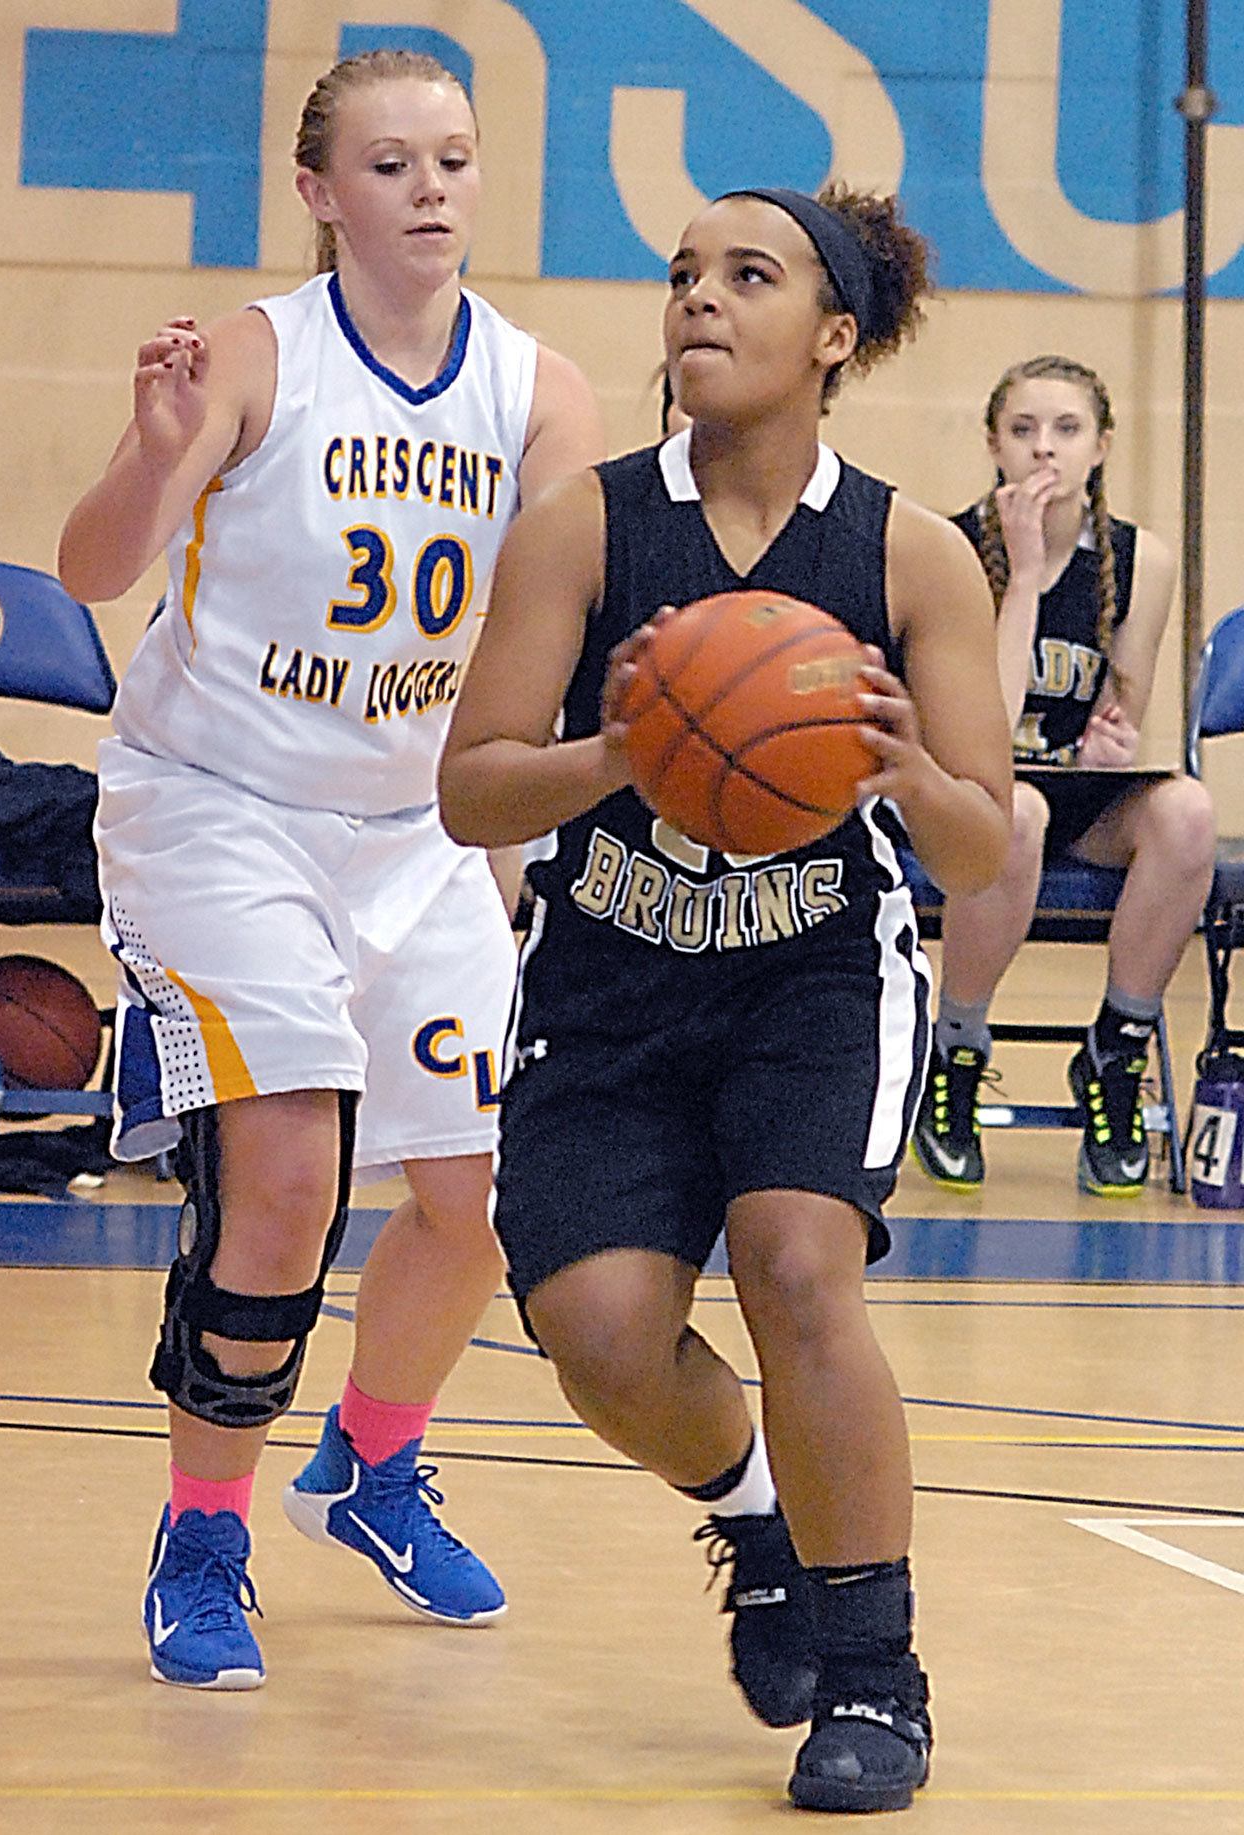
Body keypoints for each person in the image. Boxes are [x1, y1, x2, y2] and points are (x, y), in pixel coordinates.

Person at [438, 184, 1013, 1815]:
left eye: (745, 276)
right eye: (684, 274)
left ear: (835, 336)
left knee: (795, 1265)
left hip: (812, 980)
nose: (698, 299)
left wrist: (901, 761)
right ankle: (756, 1513)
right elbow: (472, 791)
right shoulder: (587, 523)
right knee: (604, 1336)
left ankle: (875, 1678)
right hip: (611, 982)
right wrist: (623, 753)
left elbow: (978, 841)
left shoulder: (907, 553)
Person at [57, 47, 604, 1691]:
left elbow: (554, 628)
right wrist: (157, 452)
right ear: (317, 193)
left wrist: (519, 832)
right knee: (287, 1180)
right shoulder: (253, 356)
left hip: (419, 827)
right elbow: (95, 568)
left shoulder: (538, 389)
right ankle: (203, 1529)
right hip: (221, 808)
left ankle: (366, 1467)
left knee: (483, 1198)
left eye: (453, 157)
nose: (430, 187)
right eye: (389, 162)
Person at [912, 355, 1215, 1195]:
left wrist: (1115, 744)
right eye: (1023, 429)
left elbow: (1124, 707)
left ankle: (1117, 1048)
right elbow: (987, 717)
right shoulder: (946, 547)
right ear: (992, 444)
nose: (1044, 449)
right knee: (1016, 815)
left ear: (1101, 445)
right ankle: (957, 1049)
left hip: (1077, 793)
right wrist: (1028, 578)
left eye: (1067, 429)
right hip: (970, 791)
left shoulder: (1140, 559)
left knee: (1187, 811)